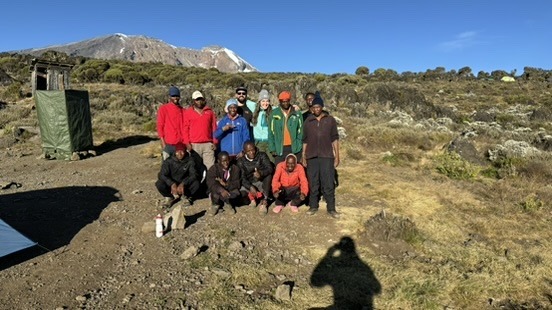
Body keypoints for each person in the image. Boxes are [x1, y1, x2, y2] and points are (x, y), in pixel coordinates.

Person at [301, 92, 341, 219]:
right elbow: (305, 140)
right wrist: (303, 155)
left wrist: (337, 155)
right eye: (314, 107)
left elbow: (335, 139)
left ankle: (331, 208)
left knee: (328, 182)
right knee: (313, 182)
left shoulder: (330, 120)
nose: (316, 109)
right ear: (311, 108)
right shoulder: (308, 121)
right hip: (311, 156)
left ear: (322, 107)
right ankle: (313, 206)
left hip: (326, 156)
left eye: (319, 107)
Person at [155, 143, 201, 209]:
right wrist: (172, 183)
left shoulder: (190, 161)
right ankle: (169, 197)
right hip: (171, 183)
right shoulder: (168, 161)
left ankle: (186, 196)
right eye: (177, 151)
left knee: (196, 183)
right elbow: (162, 174)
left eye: (182, 151)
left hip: (184, 183)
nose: (179, 153)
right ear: (175, 152)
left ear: (185, 151)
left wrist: (183, 183)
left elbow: (194, 174)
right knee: (159, 184)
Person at [182, 90, 218, 170]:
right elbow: (185, 129)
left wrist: (215, 142)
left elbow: (214, 127)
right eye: (197, 99)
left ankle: (209, 182)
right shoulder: (188, 113)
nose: (199, 101)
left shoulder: (209, 112)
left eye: (200, 99)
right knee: (195, 168)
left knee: (210, 168)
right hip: (194, 145)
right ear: (193, 101)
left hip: (208, 145)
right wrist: (187, 143)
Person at [236, 141, 273, 214]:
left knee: (269, 175)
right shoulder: (241, 161)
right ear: (244, 151)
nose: (251, 152)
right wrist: (250, 187)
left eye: (253, 150)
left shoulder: (262, 155)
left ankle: (264, 202)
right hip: (249, 183)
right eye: (248, 151)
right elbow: (242, 177)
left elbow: (270, 168)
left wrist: (261, 173)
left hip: (261, 182)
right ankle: (252, 199)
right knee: (240, 197)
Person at [268, 91, 304, 165]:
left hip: (294, 148)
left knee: (295, 172)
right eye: (283, 101)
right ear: (279, 101)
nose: (285, 103)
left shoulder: (297, 113)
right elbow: (271, 132)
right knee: (280, 171)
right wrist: (272, 148)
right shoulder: (274, 113)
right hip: (279, 148)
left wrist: (299, 145)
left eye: (287, 101)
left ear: (289, 100)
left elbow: (300, 131)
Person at [206, 151, 242, 216]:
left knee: (236, 193)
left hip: (229, 190)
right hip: (218, 190)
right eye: (223, 161)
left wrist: (226, 185)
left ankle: (227, 203)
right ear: (218, 161)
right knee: (214, 191)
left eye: (228, 160)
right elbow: (210, 183)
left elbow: (237, 183)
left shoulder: (235, 168)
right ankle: (215, 205)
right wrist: (221, 189)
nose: (226, 163)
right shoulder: (213, 169)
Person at [157, 86, 184, 160]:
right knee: (167, 165)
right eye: (173, 96)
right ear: (169, 97)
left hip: (181, 144)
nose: (175, 98)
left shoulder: (182, 110)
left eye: (177, 96)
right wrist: (163, 142)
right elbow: (160, 126)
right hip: (168, 143)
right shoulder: (163, 108)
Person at [251, 89, 273, 161]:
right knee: (260, 162)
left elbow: (282, 108)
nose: (265, 103)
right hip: (259, 142)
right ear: (259, 102)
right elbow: (243, 102)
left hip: (269, 142)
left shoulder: (273, 111)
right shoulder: (254, 109)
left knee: (271, 161)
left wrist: (294, 107)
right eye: (263, 101)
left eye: (267, 101)